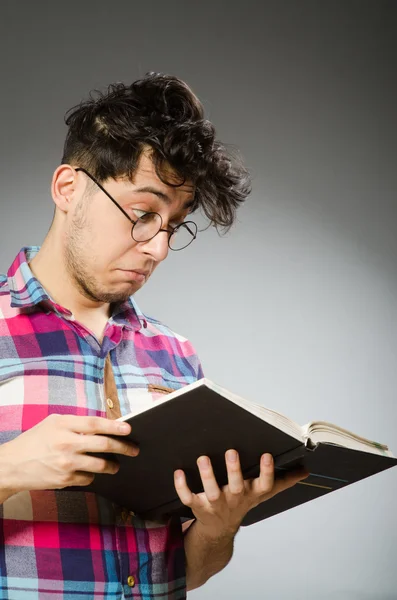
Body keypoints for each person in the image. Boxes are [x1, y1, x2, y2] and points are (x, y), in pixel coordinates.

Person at [0, 72, 307, 599]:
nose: (157, 249)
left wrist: (218, 525)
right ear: (68, 189)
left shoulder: (176, 355)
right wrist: (8, 468)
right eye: (143, 214)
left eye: (173, 225)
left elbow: (188, 571)